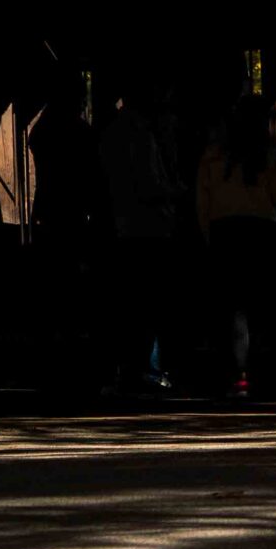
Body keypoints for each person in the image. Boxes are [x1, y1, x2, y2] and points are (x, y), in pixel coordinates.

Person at [197, 95, 276, 400]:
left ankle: (233, 374)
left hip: (226, 235)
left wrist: (208, 237)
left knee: (230, 310)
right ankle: (264, 375)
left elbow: (203, 203)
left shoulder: (213, 156)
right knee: (263, 309)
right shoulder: (270, 158)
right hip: (261, 235)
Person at [97, 84, 183, 394]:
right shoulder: (143, 135)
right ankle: (150, 368)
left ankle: (127, 368)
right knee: (152, 302)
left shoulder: (109, 134)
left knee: (129, 302)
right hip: (150, 227)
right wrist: (176, 193)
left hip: (123, 227)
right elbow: (149, 187)